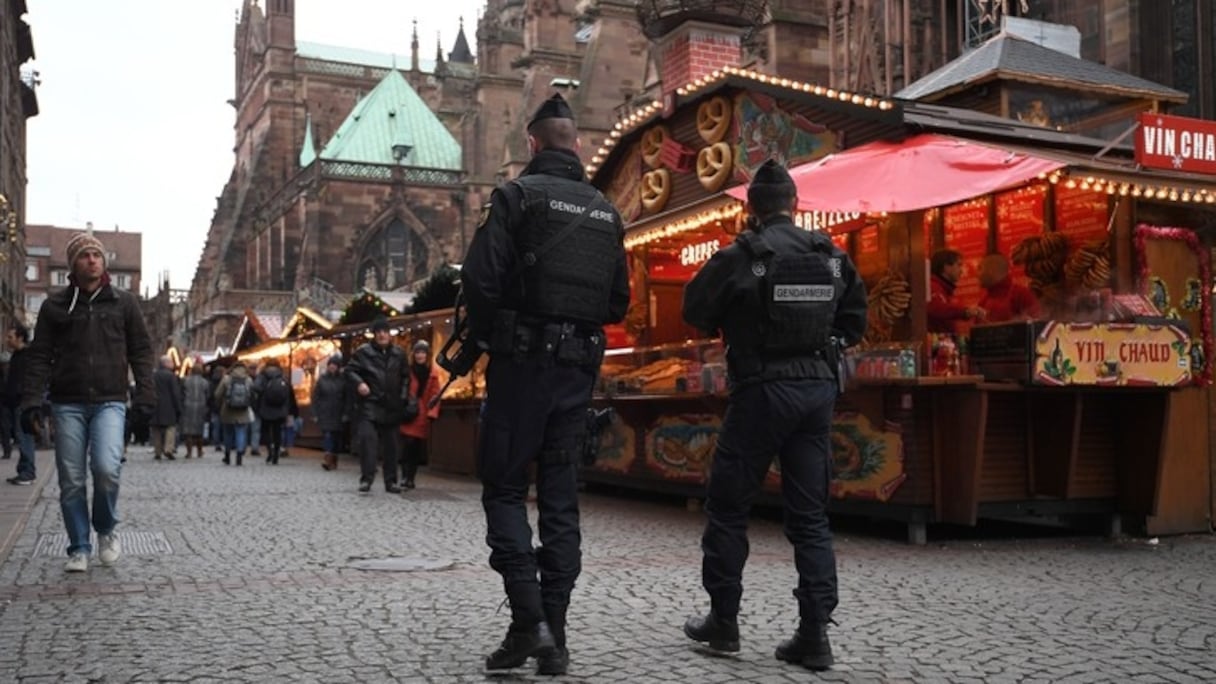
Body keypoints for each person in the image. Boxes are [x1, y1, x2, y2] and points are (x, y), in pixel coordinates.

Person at [460, 92, 630, 676]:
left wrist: (492, 337)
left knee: (505, 489)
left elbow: (480, 283)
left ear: (531, 143)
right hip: (578, 370)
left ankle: (528, 622)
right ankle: (554, 638)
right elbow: (617, 301)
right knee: (560, 499)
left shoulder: (515, 196)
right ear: (577, 143)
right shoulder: (608, 212)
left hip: (521, 366)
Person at [680, 159, 867, 671]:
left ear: (751, 209)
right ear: (796, 204)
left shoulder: (741, 255)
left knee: (728, 507)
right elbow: (855, 321)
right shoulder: (830, 255)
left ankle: (724, 622)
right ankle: (814, 636)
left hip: (761, 390)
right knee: (810, 519)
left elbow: (694, 309)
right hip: (816, 392)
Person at [20, 231, 155, 572]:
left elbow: (141, 350)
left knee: (107, 470)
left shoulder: (124, 303)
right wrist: (32, 400)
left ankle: (106, 529)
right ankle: (78, 545)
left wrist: (144, 395)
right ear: (73, 264)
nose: (92, 259)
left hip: (110, 399)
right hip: (68, 402)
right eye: (85, 255)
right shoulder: (55, 306)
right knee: (72, 479)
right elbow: (40, 357)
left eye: (97, 254)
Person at [345, 316, 408, 493]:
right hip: (370, 404)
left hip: (392, 405)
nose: (382, 335)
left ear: (389, 334)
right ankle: (367, 478)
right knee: (368, 442)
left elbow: (405, 377)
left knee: (392, 447)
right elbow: (349, 370)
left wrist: (402, 397)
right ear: (374, 335)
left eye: (385, 332)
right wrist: (359, 383)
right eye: (379, 332)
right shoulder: (363, 352)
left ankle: (391, 481)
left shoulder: (399, 353)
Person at [398, 339, 443, 489]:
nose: (420, 355)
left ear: (427, 354)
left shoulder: (433, 373)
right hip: (408, 412)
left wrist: (432, 413)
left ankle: (411, 477)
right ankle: (405, 476)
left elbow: (435, 395)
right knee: (407, 445)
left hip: (422, 414)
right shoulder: (407, 370)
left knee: (415, 447)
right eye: (417, 352)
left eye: (422, 352)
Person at [4, 323, 36, 485]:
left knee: (24, 437)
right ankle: (23, 470)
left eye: (10, 337)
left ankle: (28, 472)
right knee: (21, 436)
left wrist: (24, 397)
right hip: (15, 402)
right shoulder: (16, 355)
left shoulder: (27, 356)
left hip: (23, 402)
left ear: (20, 338)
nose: (7, 340)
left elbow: (27, 381)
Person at [928, 249, 985, 333]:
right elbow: (937, 308)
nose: (961, 270)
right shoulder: (933, 286)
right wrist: (965, 311)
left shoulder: (942, 288)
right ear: (946, 267)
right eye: (959, 265)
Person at [253, 357, 296, 464]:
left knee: (266, 431)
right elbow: (289, 392)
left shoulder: (262, 375)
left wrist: (263, 393)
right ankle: (276, 453)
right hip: (280, 408)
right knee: (277, 432)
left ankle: (269, 451)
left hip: (265, 407)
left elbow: (256, 387)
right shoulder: (282, 375)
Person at [977, 253, 1040, 323]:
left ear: (992, 270)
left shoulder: (1021, 294)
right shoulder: (983, 301)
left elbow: (1036, 324)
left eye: (980, 268)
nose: (977, 274)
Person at [312, 354, 348, 471]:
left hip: (338, 412)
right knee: (327, 435)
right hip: (325, 412)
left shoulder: (343, 380)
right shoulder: (322, 379)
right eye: (330, 365)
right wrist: (315, 413)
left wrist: (346, 413)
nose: (332, 367)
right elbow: (316, 397)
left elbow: (347, 398)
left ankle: (334, 458)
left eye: (334, 365)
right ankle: (327, 458)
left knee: (336, 438)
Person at [214, 361, 254, 466]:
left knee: (228, 433)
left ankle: (227, 455)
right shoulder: (248, 380)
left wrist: (220, 404)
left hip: (227, 410)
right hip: (243, 411)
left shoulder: (227, 379)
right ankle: (239, 456)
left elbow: (217, 394)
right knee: (241, 432)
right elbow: (253, 395)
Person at [150, 354, 182, 461]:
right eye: (171, 362)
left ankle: (157, 450)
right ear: (166, 364)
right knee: (170, 428)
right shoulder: (171, 376)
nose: (173, 364)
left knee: (156, 429)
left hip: (155, 404)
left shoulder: (153, 375)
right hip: (169, 406)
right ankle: (168, 448)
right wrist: (178, 407)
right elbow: (175, 393)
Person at [179, 362, 211, 458]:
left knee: (188, 431)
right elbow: (208, 395)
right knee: (199, 431)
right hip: (201, 407)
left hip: (188, 406)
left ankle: (189, 452)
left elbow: (181, 394)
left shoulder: (185, 380)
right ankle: (199, 451)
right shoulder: (205, 382)